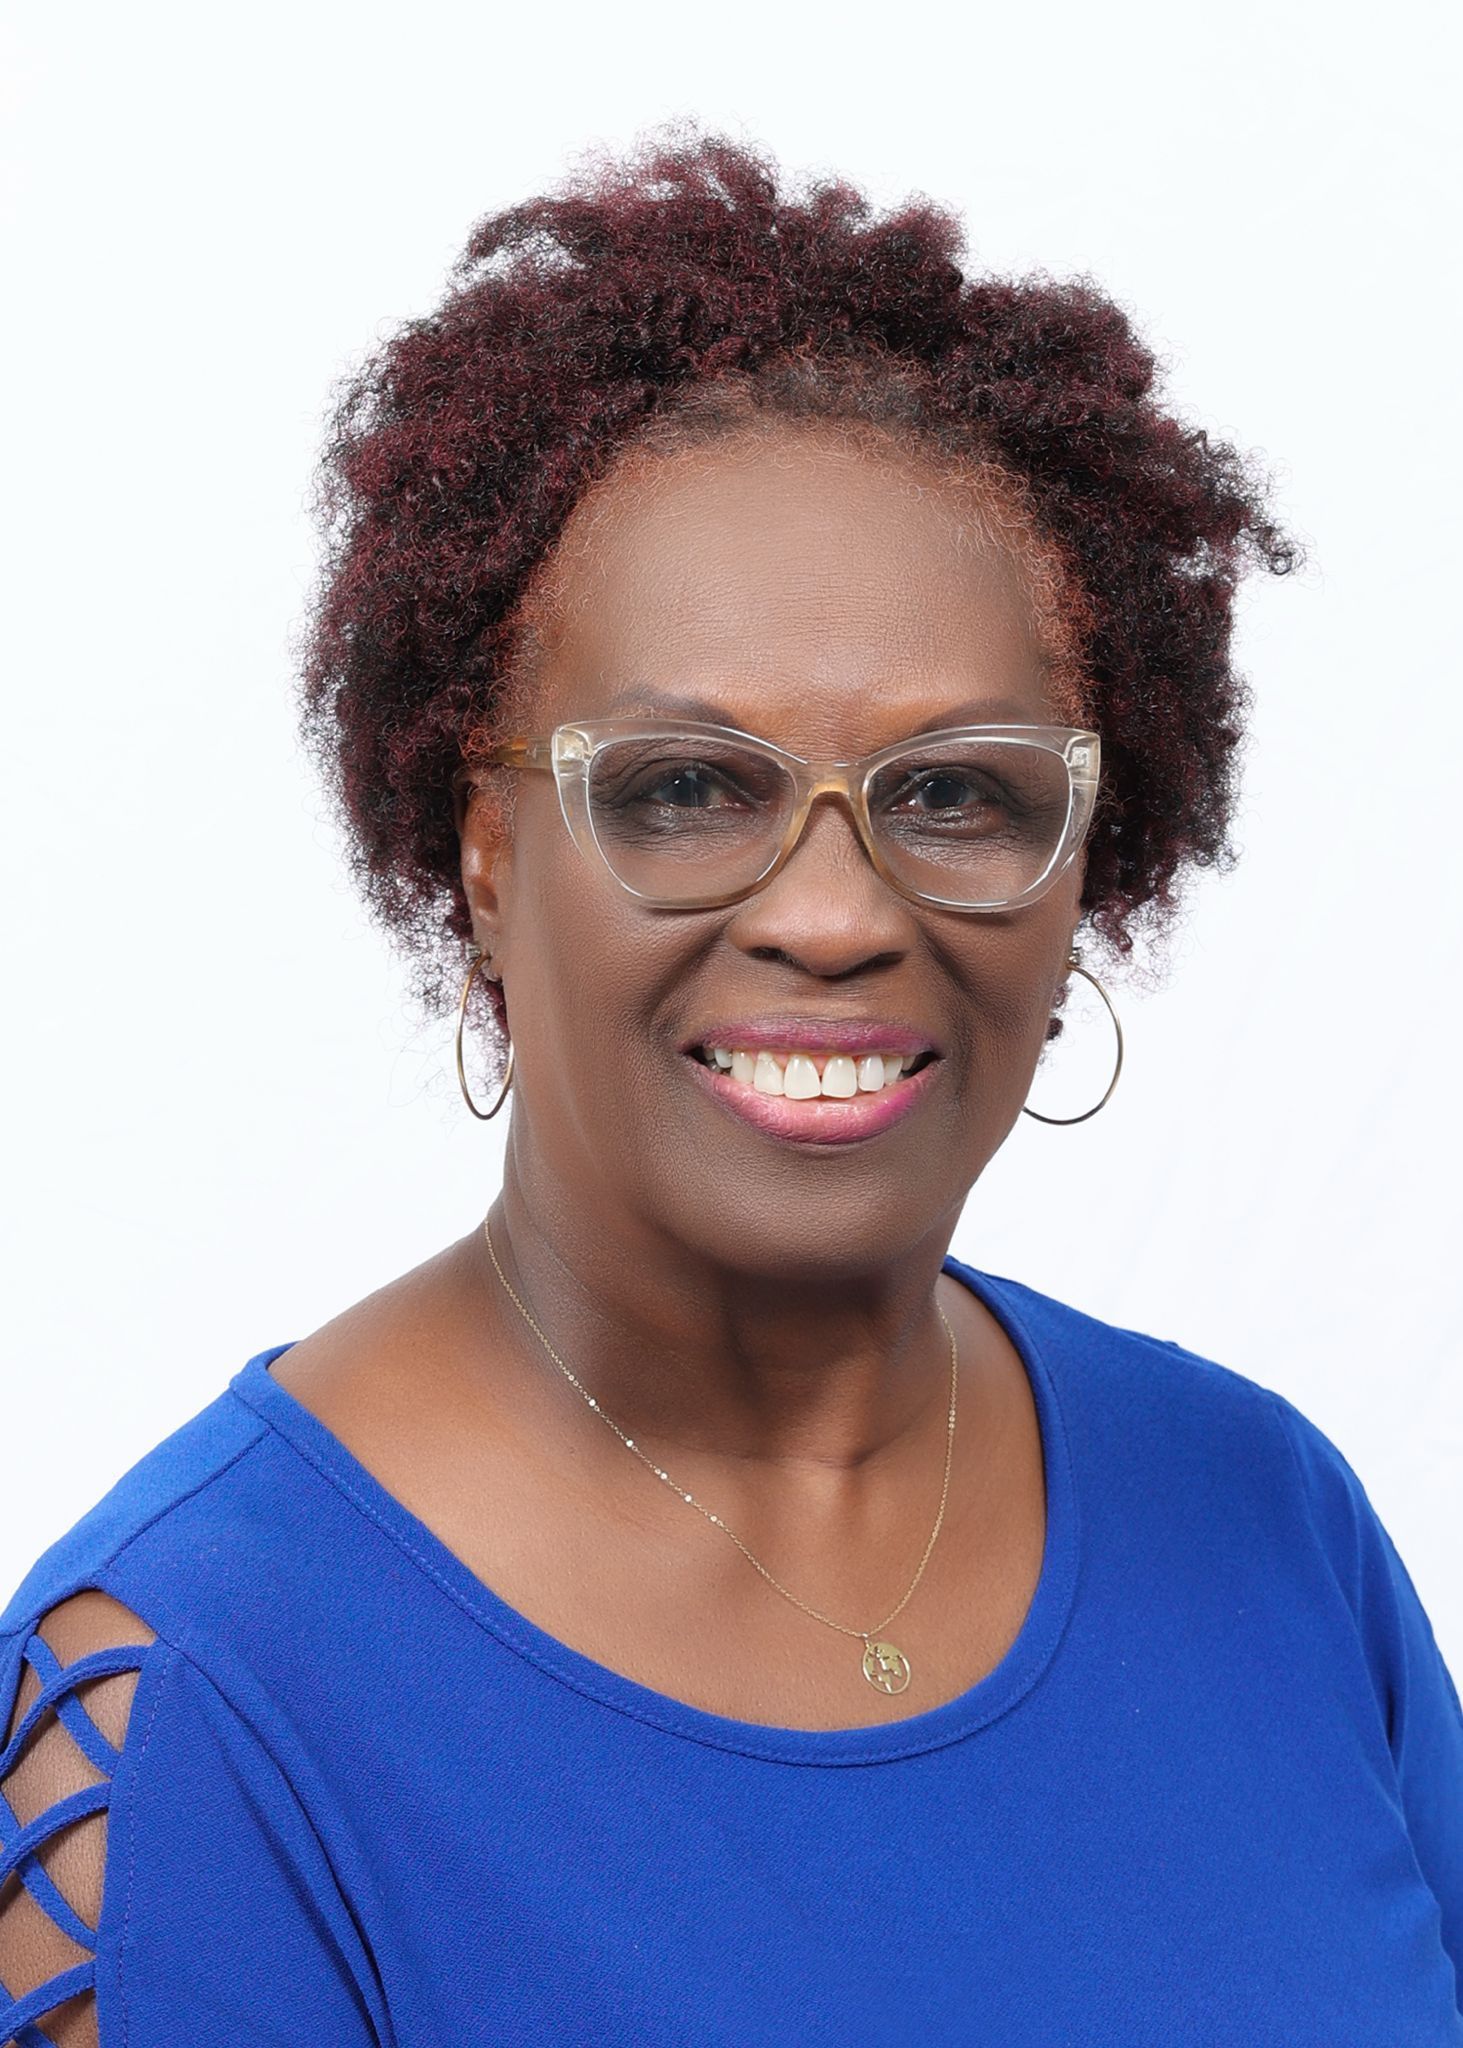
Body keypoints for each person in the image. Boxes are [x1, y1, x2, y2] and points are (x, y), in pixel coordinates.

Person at [2, 127, 1459, 2047]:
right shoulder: (194, 1701)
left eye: (956, 792)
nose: (839, 915)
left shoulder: (1266, 1520)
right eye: (685, 788)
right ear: (487, 855)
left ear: (1089, 859)